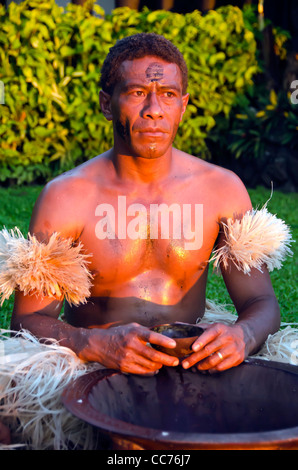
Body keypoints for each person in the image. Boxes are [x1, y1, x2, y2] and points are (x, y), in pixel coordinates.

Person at [10, 33, 282, 376]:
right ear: (106, 104)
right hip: (94, 370)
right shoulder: (67, 197)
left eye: (167, 95)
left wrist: (242, 335)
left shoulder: (221, 189)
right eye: (138, 93)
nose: (154, 111)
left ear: (182, 106)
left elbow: (262, 303)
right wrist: (91, 344)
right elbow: (27, 320)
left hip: (194, 362)